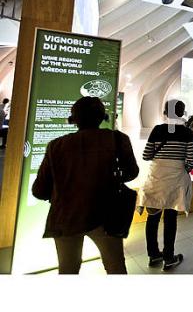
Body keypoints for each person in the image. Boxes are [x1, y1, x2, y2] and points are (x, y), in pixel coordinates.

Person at [32, 97, 139, 274]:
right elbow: (131, 172)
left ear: (74, 119)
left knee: (68, 270)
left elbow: (39, 190)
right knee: (115, 266)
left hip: (66, 216)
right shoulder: (118, 139)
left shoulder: (56, 146)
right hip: (105, 215)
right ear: (101, 117)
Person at [138, 99, 193, 271]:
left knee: (152, 217)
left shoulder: (157, 130)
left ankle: (153, 255)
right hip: (175, 180)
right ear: (182, 113)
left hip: (156, 178)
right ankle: (169, 258)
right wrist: (180, 168)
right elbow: (192, 160)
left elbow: (146, 155)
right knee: (170, 219)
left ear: (165, 112)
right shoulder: (187, 133)